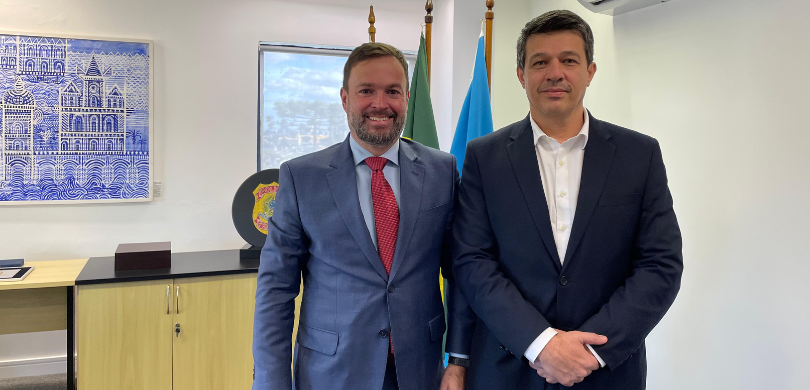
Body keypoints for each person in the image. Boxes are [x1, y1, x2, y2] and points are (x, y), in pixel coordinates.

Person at [451, 10, 683, 389]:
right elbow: (472, 260)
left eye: (569, 60)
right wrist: (541, 344)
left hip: (606, 371)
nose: (554, 73)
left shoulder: (639, 155)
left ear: (590, 71)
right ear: (521, 75)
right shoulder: (483, 157)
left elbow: (661, 265)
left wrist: (589, 352)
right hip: (507, 369)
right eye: (540, 62)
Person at [252, 42, 469, 390]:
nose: (380, 104)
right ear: (345, 98)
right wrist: (272, 383)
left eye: (392, 91)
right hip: (332, 372)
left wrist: (458, 360)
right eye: (366, 90)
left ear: (407, 98)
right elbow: (276, 290)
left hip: (420, 370)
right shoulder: (300, 177)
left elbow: (462, 274)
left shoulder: (442, 171)